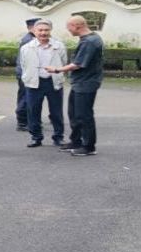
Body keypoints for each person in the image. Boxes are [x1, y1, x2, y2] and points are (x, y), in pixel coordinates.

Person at [46, 15, 103, 156]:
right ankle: (76, 141)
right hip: (80, 82)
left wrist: (57, 69)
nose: (68, 30)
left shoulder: (89, 42)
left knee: (84, 115)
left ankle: (89, 146)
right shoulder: (88, 39)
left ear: (77, 26)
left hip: (86, 83)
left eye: (69, 27)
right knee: (74, 114)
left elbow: (77, 64)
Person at [19, 20, 67, 148]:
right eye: (40, 30)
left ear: (50, 31)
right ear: (34, 31)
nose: (43, 33)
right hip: (34, 83)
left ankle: (58, 137)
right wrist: (27, 77)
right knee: (33, 111)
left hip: (53, 81)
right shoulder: (26, 47)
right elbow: (23, 64)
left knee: (56, 112)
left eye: (46, 30)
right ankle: (36, 137)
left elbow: (64, 62)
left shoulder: (59, 46)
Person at [14, 18, 39, 132]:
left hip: (27, 72)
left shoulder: (32, 38)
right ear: (30, 28)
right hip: (25, 73)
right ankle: (22, 122)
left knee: (28, 97)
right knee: (25, 98)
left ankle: (28, 120)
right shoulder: (28, 40)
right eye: (37, 27)